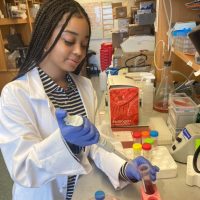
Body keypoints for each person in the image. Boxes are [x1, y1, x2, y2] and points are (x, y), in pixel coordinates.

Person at [0, 0, 159, 199]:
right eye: (69, 41)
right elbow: (22, 167)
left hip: (81, 192)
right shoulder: (15, 94)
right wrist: (64, 142)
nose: (79, 51)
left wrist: (125, 166)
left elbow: (95, 143)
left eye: (83, 44)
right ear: (45, 36)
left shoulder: (84, 87)